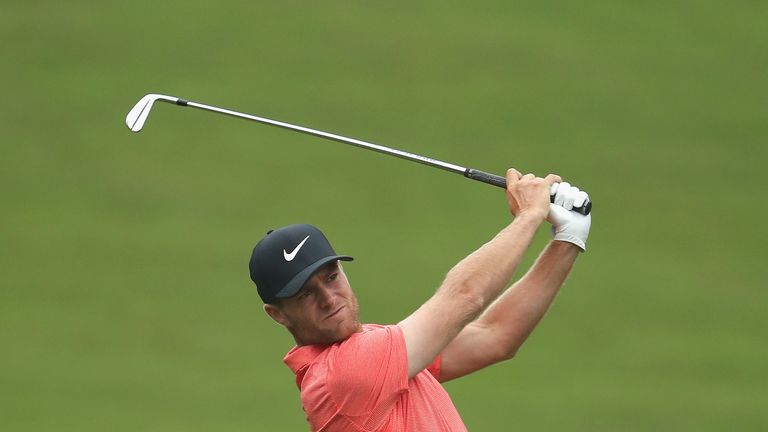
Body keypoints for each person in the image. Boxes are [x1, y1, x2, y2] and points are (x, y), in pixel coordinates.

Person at [248, 168, 592, 431]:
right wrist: (530, 215)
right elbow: (465, 296)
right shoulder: (343, 375)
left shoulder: (379, 352)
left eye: (331, 277)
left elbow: (495, 336)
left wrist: (568, 240)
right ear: (278, 314)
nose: (327, 298)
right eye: (305, 293)